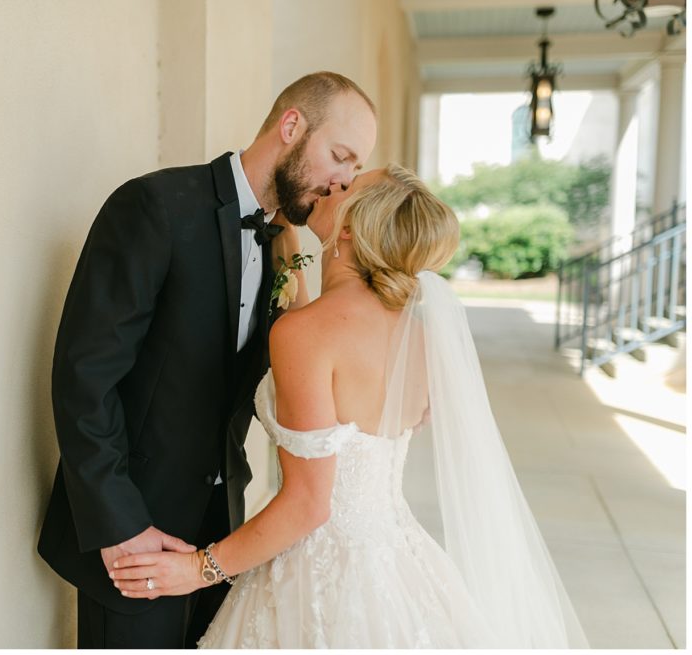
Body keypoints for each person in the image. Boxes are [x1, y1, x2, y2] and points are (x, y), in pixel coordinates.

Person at [110, 165, 590, 648]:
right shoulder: (420, 338)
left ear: (348, 228)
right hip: (398, 562)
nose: (334, 184)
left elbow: (308, 504)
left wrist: (198, 569)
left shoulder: (307, 335)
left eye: (348, 186)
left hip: (318, 571)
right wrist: (291, 252)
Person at [36, 72, 378, 648]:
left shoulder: (286, 250)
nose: (343, 181)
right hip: (133, 540)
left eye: (354, 168)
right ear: (292, 126)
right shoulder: (154, 206)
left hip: (221, 536)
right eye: (339, 157)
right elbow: (85, 379)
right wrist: (120, 526)